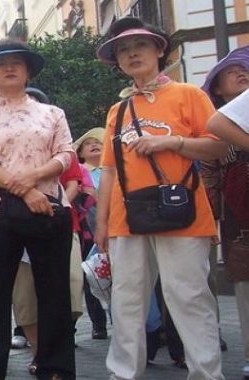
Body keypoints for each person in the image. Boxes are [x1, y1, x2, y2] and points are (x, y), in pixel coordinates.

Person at [94, 17, 226, 379]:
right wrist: (102, 223)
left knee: (188, 296)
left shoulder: (188, 94)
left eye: (140, 45)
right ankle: (123, 373)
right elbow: (107, 170)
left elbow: (218, 147)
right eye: (123, 49)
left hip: (180, 210)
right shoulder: (116, 111)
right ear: (117, 60)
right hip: (126, 216)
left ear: (158, 50)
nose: (132, 53)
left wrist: (173, 142)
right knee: (127, 300)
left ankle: (206, 373)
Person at [0, 39, 76, 380]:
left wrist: (34, 178)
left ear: (28, 71)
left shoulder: (52, 113)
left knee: (54, 290)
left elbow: (66, 154)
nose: (9, 68)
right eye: (1, 64)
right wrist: (26, 190)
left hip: (49, 209)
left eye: (17, 62)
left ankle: (54, 368)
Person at [204, 48, 249, 377]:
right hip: (238, 207)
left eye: (244, 69)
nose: (241, 73)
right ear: (217, 88)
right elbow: (209, 178)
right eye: (231, 72)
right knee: (245, 277)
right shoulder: (216, 126)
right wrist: (210, 222)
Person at [73, 127, 108, 339]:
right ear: (81, 152)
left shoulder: (113, 170)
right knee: (90, 275)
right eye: (88, 143)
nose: (94, 145)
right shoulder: (79, 171)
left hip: (115, 228)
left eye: (99, 142)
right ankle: (98, 324)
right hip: (88, 229)